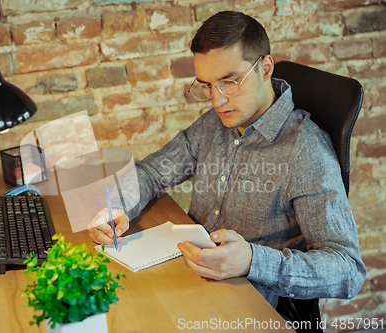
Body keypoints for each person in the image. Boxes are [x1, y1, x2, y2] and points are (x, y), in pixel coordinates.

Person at [88, 11, 366, 311]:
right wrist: (116, 205)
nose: (216, 100)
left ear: (266, 68)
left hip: (244, 306)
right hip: (189, 275)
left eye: (229, 82)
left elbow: (347, 270)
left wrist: (251, 260)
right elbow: (154, 171)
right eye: (207, 85)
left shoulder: (306, 151)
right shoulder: (214, 123)